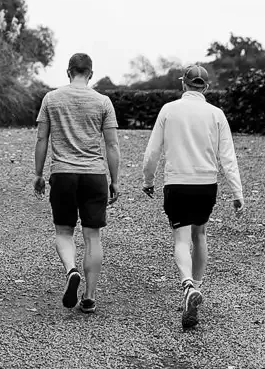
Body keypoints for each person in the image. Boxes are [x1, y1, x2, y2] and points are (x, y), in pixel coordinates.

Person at [140, 63, 243, 330]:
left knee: (181, 239)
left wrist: (148, 180)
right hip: (205, 185)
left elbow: (152, 152)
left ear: (183, 84)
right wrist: (237, 192)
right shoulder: (216, 114)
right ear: (206, 87)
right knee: (200, 235)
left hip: (177, 183)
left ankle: (186, 286)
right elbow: (228, 157)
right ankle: (196, 287)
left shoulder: (169, 110)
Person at [33, 52, 120, 314]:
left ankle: (71, 270)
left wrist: (38, 175)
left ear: (68, 71)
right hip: (94, 175)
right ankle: (90, 297)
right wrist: (115, 180)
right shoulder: (103, 102)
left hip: (63, 174)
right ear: (90, 74)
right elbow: (112, 144)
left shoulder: (51, 99)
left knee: (63, 232)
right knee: (93, 236)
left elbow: (41, 140)